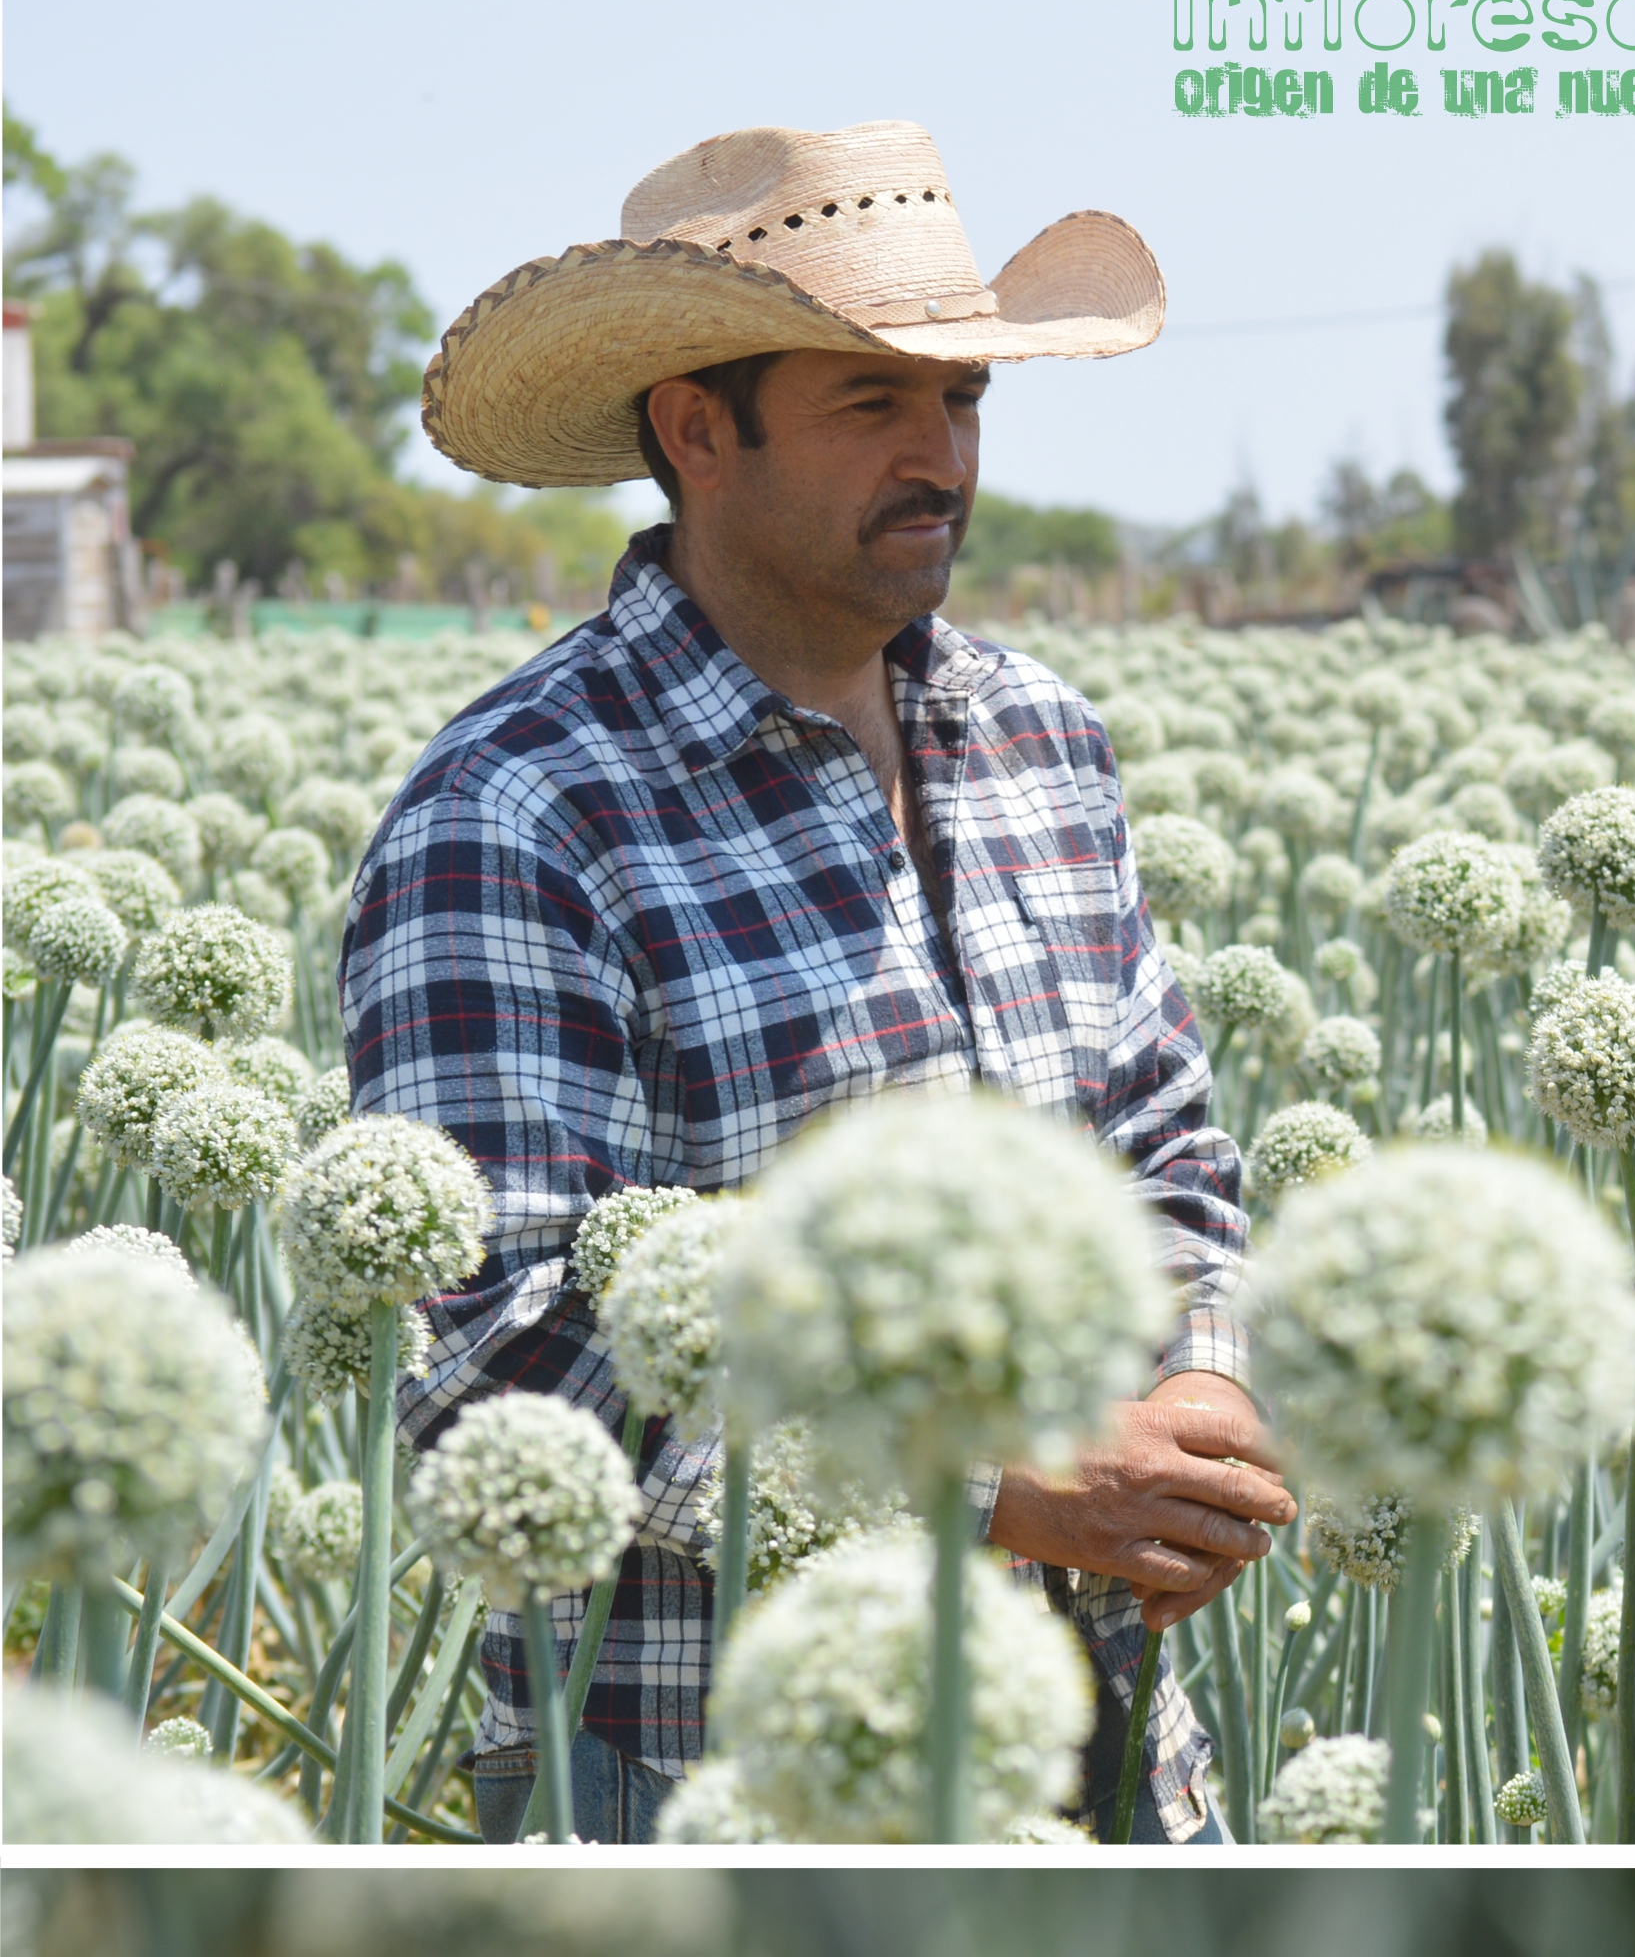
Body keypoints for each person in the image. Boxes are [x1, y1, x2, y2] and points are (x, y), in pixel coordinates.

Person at [347, 119, 1295, 1840]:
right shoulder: (519, 812)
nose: (941, 453)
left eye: (965, 399)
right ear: (698, 428)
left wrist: (1201, 1385)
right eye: (875, 402)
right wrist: (997, 1481)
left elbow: (1164, 1148)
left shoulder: (1039, 745)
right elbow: (502, 1354)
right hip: (717, 1797)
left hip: (1115, 1763)